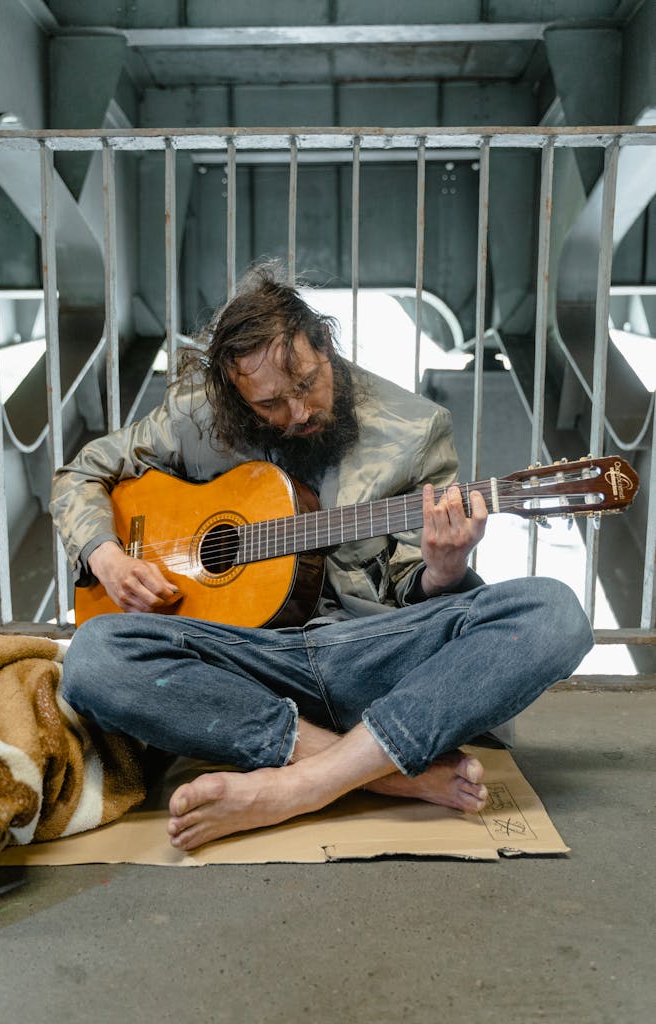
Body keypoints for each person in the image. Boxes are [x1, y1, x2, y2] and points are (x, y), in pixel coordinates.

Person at [51, 263, 593, 852]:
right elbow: (82, 473)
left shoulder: (414, 430)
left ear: (325, 347)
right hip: (247, 662)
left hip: (371, 656)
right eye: (270, 404)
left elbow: (417, 587)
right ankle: (376, 771)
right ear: (235, 392)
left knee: (556, 612)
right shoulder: (196, 418)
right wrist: (106, 557)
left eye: (307, 383)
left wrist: (445, 568)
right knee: (95, 656)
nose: (298, 412)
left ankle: (301, 785)